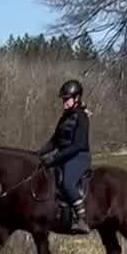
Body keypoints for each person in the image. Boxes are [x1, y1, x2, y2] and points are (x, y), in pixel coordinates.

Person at [39, 79, 91, 235]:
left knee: (67, 183)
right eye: (63, 99)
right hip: (64, 155)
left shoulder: (82, 117)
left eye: (66, 99)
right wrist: (38, 154)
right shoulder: (64, 117)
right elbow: (54, 141)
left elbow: (78, 145)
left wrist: (55, 158)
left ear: (76, 98)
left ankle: (82, 219)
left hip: (79, 156)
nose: (64, 102)